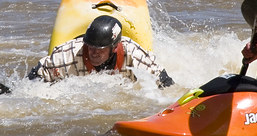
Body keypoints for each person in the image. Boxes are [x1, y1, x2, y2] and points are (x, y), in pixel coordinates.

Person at [28, 14, 174, 88]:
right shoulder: (67, 55)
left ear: (115, 47)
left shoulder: (134, 54)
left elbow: (164, 82)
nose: (93, 52)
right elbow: (35, 78)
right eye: (90, 47)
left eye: (100, 49)